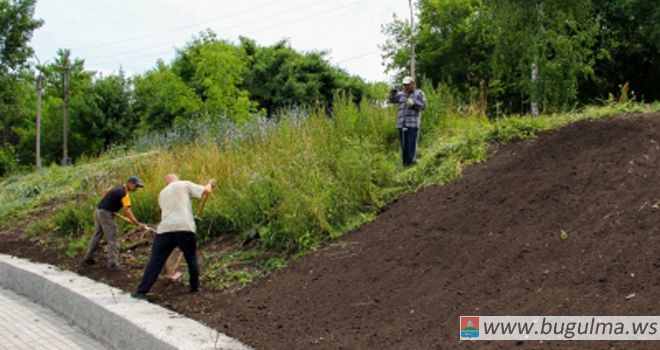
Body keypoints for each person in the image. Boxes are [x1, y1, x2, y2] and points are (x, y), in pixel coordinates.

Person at [132, 174, 213, 299]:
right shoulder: (184, 184)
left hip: (165, 230)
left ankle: (141, 291)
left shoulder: (162, 193)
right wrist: (210, 184)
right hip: (184, 227)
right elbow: (205, 191)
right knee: (191, 258)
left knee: (155, 260)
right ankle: (194, 287)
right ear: (176, 179)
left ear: (166, 183)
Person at [83, 177, 145, 268]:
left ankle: (88, 258)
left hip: (99, 210)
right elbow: (128, 212)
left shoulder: (117, 186)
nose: (136, 188)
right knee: (113, 237)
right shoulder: (124, 193)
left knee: (97, 234)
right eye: (136, 186)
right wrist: (137, 223)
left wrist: (110, 205)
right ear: (130, 183)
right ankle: (112, 263)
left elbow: (105, 192)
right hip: (106, 213)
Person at [389, 76, 426, 166]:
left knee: (411, 144)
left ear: (413, 84)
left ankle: (412, 163)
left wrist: (414, 103)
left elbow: (423, 106)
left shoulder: (419, 93)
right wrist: (393, 91)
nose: (406, 87)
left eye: (408, 85)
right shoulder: (401, 94)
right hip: (401, 123)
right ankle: (405, 164)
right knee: (403, 146)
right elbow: (391, 100)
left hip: (412, 124)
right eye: (404, 85)